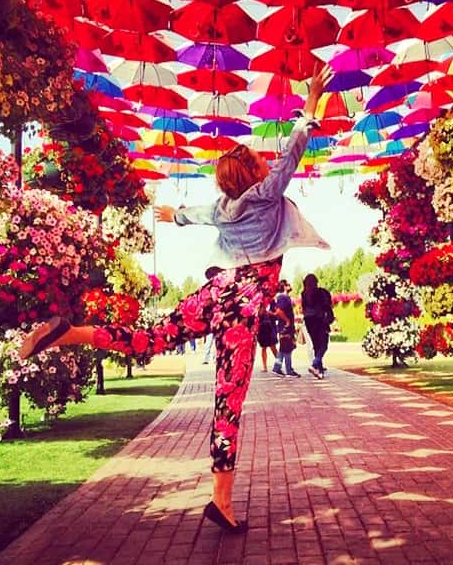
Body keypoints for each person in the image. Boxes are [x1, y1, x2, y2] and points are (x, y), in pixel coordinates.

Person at [18, 65, 333, 535]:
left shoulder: (225, 207)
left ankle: (73, 333)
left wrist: (173, 213)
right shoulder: (266, 193)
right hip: (242, 306)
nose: (266, 162)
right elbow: (294, 147)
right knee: (228, 402)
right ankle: (221, 502)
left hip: (213, 292)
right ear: (252, 174)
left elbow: (195, 214)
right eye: (257, 161)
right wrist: (310, 100)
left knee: (149, 339)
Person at [301, 273, 334, 380]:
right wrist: (329, 317)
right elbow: (327, 306)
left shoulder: (304, 293)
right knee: (324, 345)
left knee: (316, 345)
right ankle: (315, 364)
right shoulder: (321, 292)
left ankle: (319, 371)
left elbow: (304, 308)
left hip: (309, 321)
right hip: (319, 319)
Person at [271, 279, 300, 377]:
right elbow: (279, 311)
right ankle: (289, 370)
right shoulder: (283, 297)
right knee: (287, 348)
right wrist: (287, 321)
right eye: (288, 284)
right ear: (284, 286)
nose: (290, 285)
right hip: (285, 327)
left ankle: (277, 368)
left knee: (284, 348)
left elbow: (277, 311)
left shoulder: (283, 297)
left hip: (284, 326)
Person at [256, 302, 278, 372]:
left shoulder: (272, 303)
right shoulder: (259, 304)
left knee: (273, 347)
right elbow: (259, 314)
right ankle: (265, 367)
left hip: (270, 328)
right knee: (264, 348)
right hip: (262, 329)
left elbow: (276, 315)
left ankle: (279, 364)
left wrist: (271, 313)